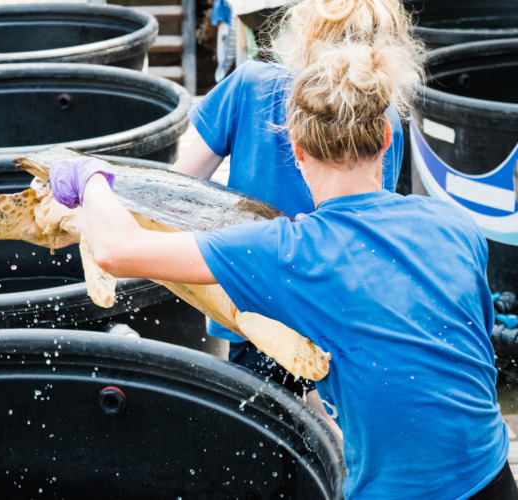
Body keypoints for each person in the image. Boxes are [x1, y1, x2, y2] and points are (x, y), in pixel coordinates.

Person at [41, 34, 516, 499]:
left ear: (297, 150)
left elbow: (117, 251)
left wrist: (91, 179)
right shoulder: (456, 225)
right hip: (494, 476)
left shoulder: (289, 251)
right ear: (389, 136)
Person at [172, 0, 414, 410]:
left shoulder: (250, 85)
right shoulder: (382, 119)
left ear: (304, 35)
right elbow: (367, 226)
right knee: (332, 443)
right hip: (333, 311)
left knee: (261, 437)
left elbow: (179, 188)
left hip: (249, 302)